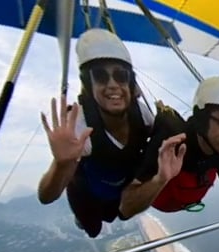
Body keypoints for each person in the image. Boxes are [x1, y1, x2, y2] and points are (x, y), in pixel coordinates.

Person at [37, 28, 185, 238]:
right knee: (93, 230)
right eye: (100, 76)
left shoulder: (141, 114)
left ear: (130, 83)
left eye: (120, 76)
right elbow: (46, 196)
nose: (112, 85)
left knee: (119, 214)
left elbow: (162, 136)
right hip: (87, 194)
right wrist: (61, 164)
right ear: (89, 85)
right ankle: (82, 220)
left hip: (118, 190)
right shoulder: (81, 127)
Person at [119, 76, 219, 218]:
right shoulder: (171, 143)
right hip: (160, 199)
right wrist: (160, 179)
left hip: (184, 200)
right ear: (202, 120)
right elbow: (125, 208)